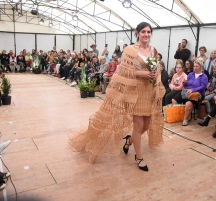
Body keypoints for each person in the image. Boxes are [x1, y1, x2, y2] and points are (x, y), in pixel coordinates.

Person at [68, 22, 166, 172]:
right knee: (139, 126)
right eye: (143, 32)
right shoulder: (130, 50)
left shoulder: (153, 50)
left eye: (148, 32)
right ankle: (139, 157)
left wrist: (155, 73)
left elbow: (156, 67)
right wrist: (143, 73)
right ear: (137, 33)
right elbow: (124, 72)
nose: (146, 34)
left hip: (149, 91)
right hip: (134, 92)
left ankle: (128, 142)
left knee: (145, 126)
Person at [171, 60, 208, 126]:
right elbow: (185, 85)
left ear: (201, 67)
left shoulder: (204, 76)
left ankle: (185, 119)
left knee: (188, 103)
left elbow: (203, 87)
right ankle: (177, 115)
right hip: (187, 91)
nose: (195, 68)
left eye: (197, 66)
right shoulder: (191, 74)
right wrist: (184, 83)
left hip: (197, 94)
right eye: (194, 66)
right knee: (174, 100)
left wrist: (192, 90)